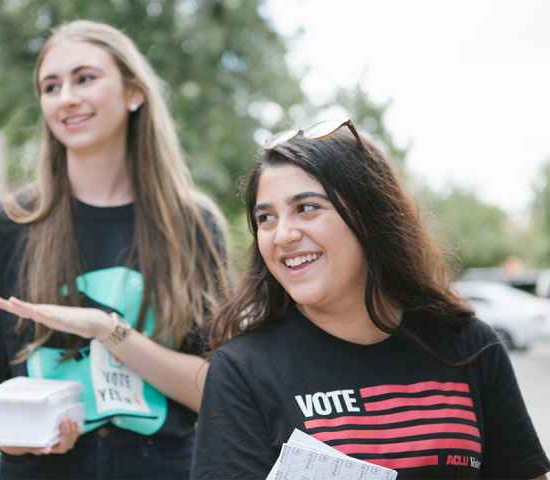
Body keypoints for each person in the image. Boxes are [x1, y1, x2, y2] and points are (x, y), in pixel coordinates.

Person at [0, 20, 230, 480]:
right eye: (51, 86)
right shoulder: (7, 226)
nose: (66, 98)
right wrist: (6, 431)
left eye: (85, 78)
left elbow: (215, 390)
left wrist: (109, 332)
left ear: (133, 93)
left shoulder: (194, 226)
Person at [190, 119, 550, 479]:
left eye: (307, 208)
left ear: (369, 216)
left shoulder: (469, 346)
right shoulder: (242, 370)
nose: (282, 235)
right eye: (266, 218)